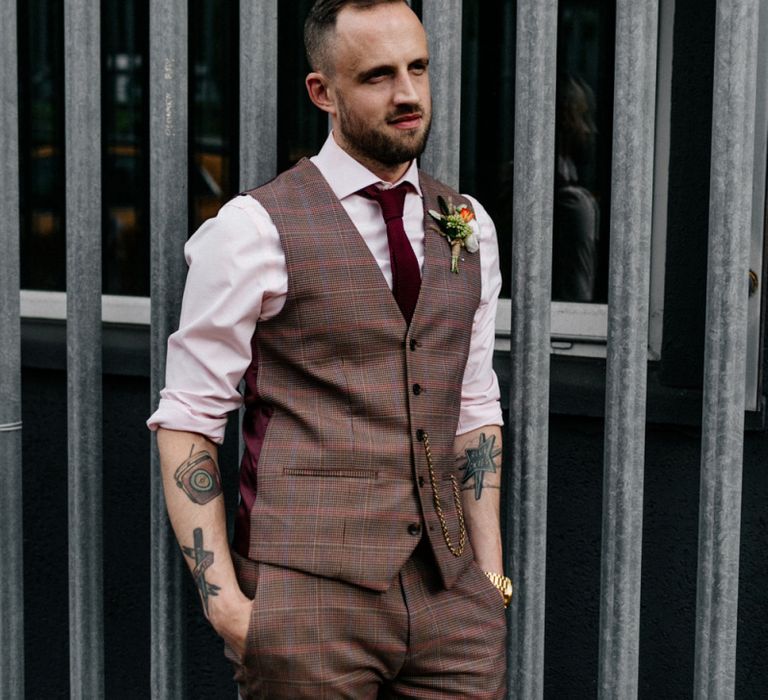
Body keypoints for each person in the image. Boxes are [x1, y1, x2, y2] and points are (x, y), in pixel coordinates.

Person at [147, 1, 511, 696]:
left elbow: (473, 403)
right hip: (308, 604)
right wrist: (228, 608)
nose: (408, 94)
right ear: (323, 92)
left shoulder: (465, 223)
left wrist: (489, 580)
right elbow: (189, 421)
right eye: (377, 76)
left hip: (453, 602)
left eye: (418, 68)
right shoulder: (252, 230)